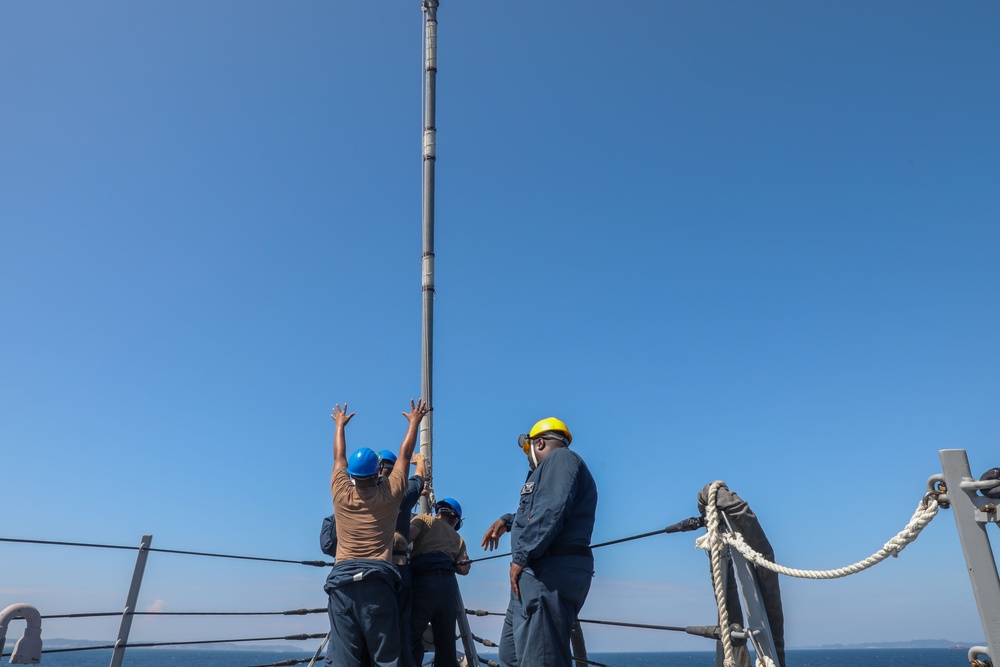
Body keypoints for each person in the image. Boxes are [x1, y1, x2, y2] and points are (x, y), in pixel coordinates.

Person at [323, 399, 431, 667]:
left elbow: (338, 457)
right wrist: (414, 422)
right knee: (385, 659)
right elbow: (405, 456)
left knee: (345, 661)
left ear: (351, 475)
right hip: (377, 583)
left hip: (341, 584)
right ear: (377, 474)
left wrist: (339, 425)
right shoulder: (390, 495)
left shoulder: (341, 492)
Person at [483, 417, 597, 667]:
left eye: (528, 451)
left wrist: (521, 556)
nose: (528, 458)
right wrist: (508, 521)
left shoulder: (562, 459)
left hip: (547, 573)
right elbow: (540, 509)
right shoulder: (556, 467)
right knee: (512, 655)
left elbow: (550, 510)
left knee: (541, 658)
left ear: (540, 443)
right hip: (535, 573)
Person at [408, 498, 471, 667]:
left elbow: (406, 537)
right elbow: (464, 569)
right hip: (448, 587)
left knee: (410, 635)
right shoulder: (458, 538)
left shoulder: (424, 519)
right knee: (446, 643)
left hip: (423, 582)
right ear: (456, 520)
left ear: (438, 512)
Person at [379, 450, 427, 667]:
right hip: (399, 567)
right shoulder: (402, 492)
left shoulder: (363, 492)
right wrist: (420, 461)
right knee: (402, 625)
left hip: (373, 569)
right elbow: (419, 478)